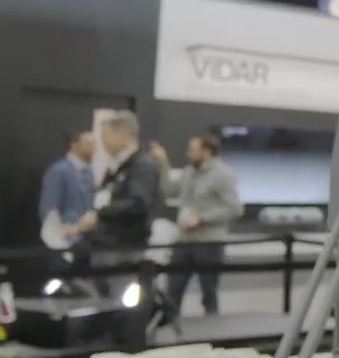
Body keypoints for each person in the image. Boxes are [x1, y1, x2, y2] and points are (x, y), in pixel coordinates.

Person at [73, 111, 163, 297]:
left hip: (123, 249)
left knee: (120, 299)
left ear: (123, 134)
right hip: (103, 244)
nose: (102, 142)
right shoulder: (118, 167)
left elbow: (137, 203)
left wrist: (100, 215)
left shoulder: (142, 166)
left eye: (106, 136)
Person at [155, 133, 243, 315]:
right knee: (173, 289)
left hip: (208, 244)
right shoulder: (189, 171)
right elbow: (169, 190)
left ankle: (212, 328)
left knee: (208, 293)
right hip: (183, 241)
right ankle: (170, 326)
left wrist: (202, 218)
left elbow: (235, 209)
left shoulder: (222, 174)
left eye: (192, 150)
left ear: (206, 151)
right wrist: (162, 163)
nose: (188, 154)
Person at [37, 130, 96, 247]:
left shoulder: (90, 172)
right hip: (66, 239)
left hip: (88, 239)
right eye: (89, 144)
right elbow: (49, 207)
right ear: (74, 145)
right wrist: (56, 236)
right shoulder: (58, 171)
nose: (93, 149)